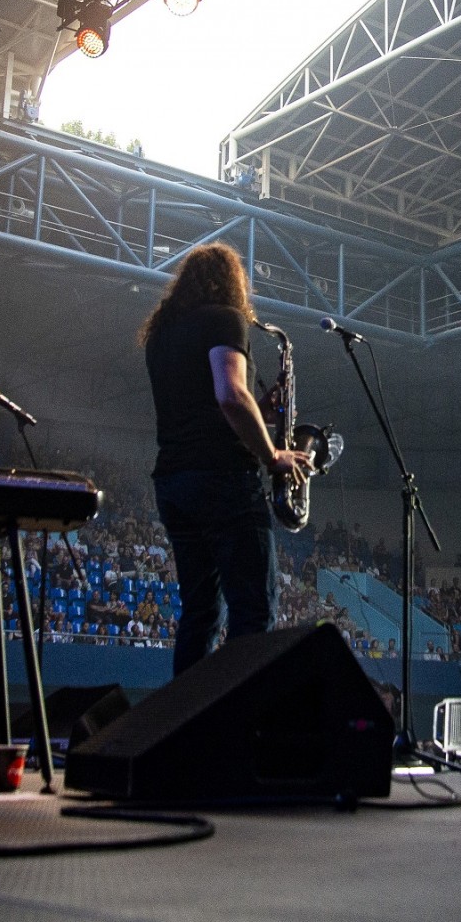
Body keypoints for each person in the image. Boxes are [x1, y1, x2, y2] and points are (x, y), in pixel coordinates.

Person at [139, 243, 309, 676]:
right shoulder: (225, 319)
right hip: (223, 479)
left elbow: (205, 406)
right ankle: (238, 713)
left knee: (200, 614)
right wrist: (272, 454)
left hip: (174, 482)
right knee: (253, 610)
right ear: (233, 281)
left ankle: (187, 715)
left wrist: (263, 412)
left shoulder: (162, 336)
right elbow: (230, 395)